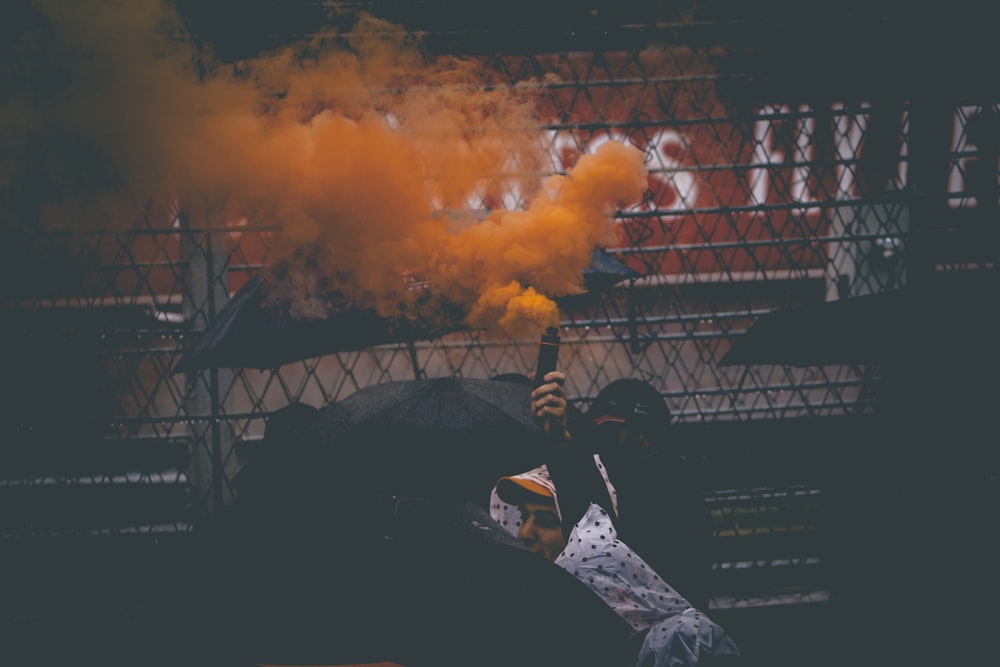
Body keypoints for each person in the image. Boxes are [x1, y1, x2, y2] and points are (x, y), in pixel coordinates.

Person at [489, 372, 740, 667]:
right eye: (522, 517)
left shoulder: (664, 497)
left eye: (545, 519)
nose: (523, 534)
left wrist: (560, 442)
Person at [575, 378, 715, 610]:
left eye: (611, 429)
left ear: (645, 437)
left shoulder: (670, 498)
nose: (599, 439)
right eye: (597, 428)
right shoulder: (616, 484)